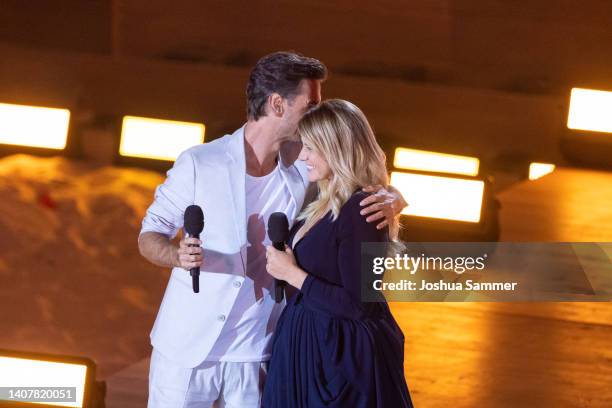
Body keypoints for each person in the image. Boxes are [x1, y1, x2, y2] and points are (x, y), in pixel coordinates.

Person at [138, 52, 408, 407]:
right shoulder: (201, 163)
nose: (317, 113)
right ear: (278, 104)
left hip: (260, 351)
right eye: (311, 104)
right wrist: (176, 255)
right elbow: (149, 236)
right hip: (188, 350)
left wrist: (391, 196)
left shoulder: (304, 167)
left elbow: (353, 174)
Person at [263, 99, 413, 407]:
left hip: (336, 361)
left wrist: (293, 274)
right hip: (309, 346)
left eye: (311, 148)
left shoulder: (362, 211)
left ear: (337, 149)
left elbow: (361, 306)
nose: (302, 155)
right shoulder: (322, 200)